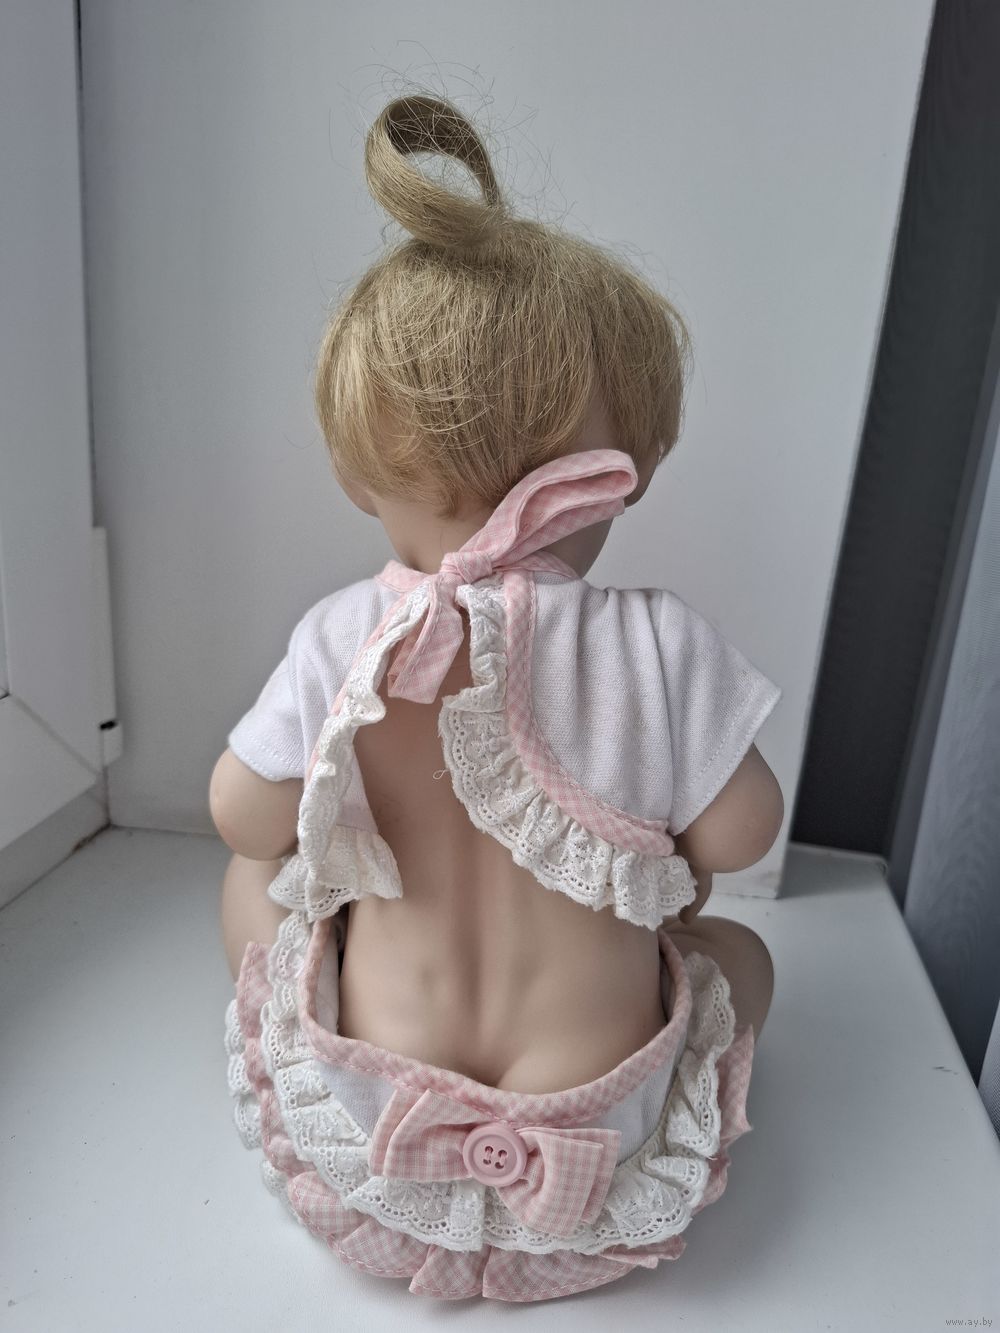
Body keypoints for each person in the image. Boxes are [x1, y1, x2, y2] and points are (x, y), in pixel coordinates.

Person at [210, 94, 783, 1303]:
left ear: (356, 467)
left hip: (377, 1114)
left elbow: (242, 816)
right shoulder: (659, 640)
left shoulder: (341, 633)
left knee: (258, 887)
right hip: (597, 1124)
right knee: (731, 950)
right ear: (627, 469)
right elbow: (741, 834)